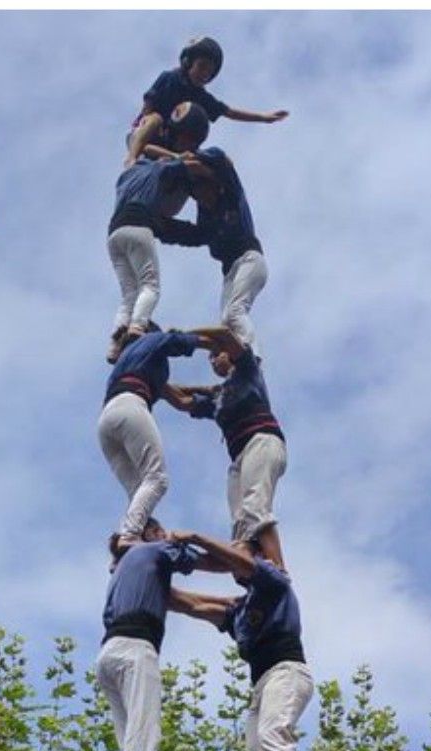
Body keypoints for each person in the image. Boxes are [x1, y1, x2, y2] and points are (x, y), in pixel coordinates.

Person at [161, 526, 307, 751]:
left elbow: (248, 556)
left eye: (235, 553)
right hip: (262, 683)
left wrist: (195, 537)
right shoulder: (239, 610)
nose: (229, 564)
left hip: (286, 672)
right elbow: (190, 604)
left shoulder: (274, 581)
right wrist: (144, 572)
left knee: (273, 732)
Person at [91, 532, 213, 751]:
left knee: (129, 740)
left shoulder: (128, 571)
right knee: (145, 734)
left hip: (108, 654)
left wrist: (234, 603)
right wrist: (246, 563)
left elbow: (192, 602)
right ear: (152, 534)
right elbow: (211, 562)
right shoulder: (154, 550)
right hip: (136, 649)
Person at [159, 149, 271, 351]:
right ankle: (237, 366)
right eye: (197, 195)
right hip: (230, 271)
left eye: (204, 190)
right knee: (227, 324)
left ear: (214, 186)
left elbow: (221, 160)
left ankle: (252, 358)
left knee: (234, 312)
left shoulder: (231, 195)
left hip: (249, 259)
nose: (203, 197)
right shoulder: (207, 223)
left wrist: (187, 158)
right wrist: (158, 226)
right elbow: (189, 235)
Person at [97, 328, 202, 540]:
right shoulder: (149, 341)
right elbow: (174, 339)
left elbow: (179, 397)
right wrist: (221, 343)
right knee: (157, 479)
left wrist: (211, 392)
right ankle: (129, 536)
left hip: (106, 421)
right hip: (130, 407)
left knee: (139, 492)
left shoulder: (132, 364)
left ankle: (131, 541)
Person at [129, 37, 285, 160]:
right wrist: (149, 123)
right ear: (188, 62)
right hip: (146, 135)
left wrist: (263, 118)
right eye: (201, 66)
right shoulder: (170, 78)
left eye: (209, 72)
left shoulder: (201, 96)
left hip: (171, 145)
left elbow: (229, 112)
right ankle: (131, 159)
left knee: (215, 159)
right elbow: (148, 106)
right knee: (155, 119)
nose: (204, 74)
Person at [107, 144, 193, 339]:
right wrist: (179, 156)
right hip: (138, 225)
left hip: (114, 233)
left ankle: (115, 340)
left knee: (129, 293)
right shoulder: (157, 168)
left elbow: (145, 148)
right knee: (150, 285)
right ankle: (137, 327)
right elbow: (183, 164)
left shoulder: (126, 176)